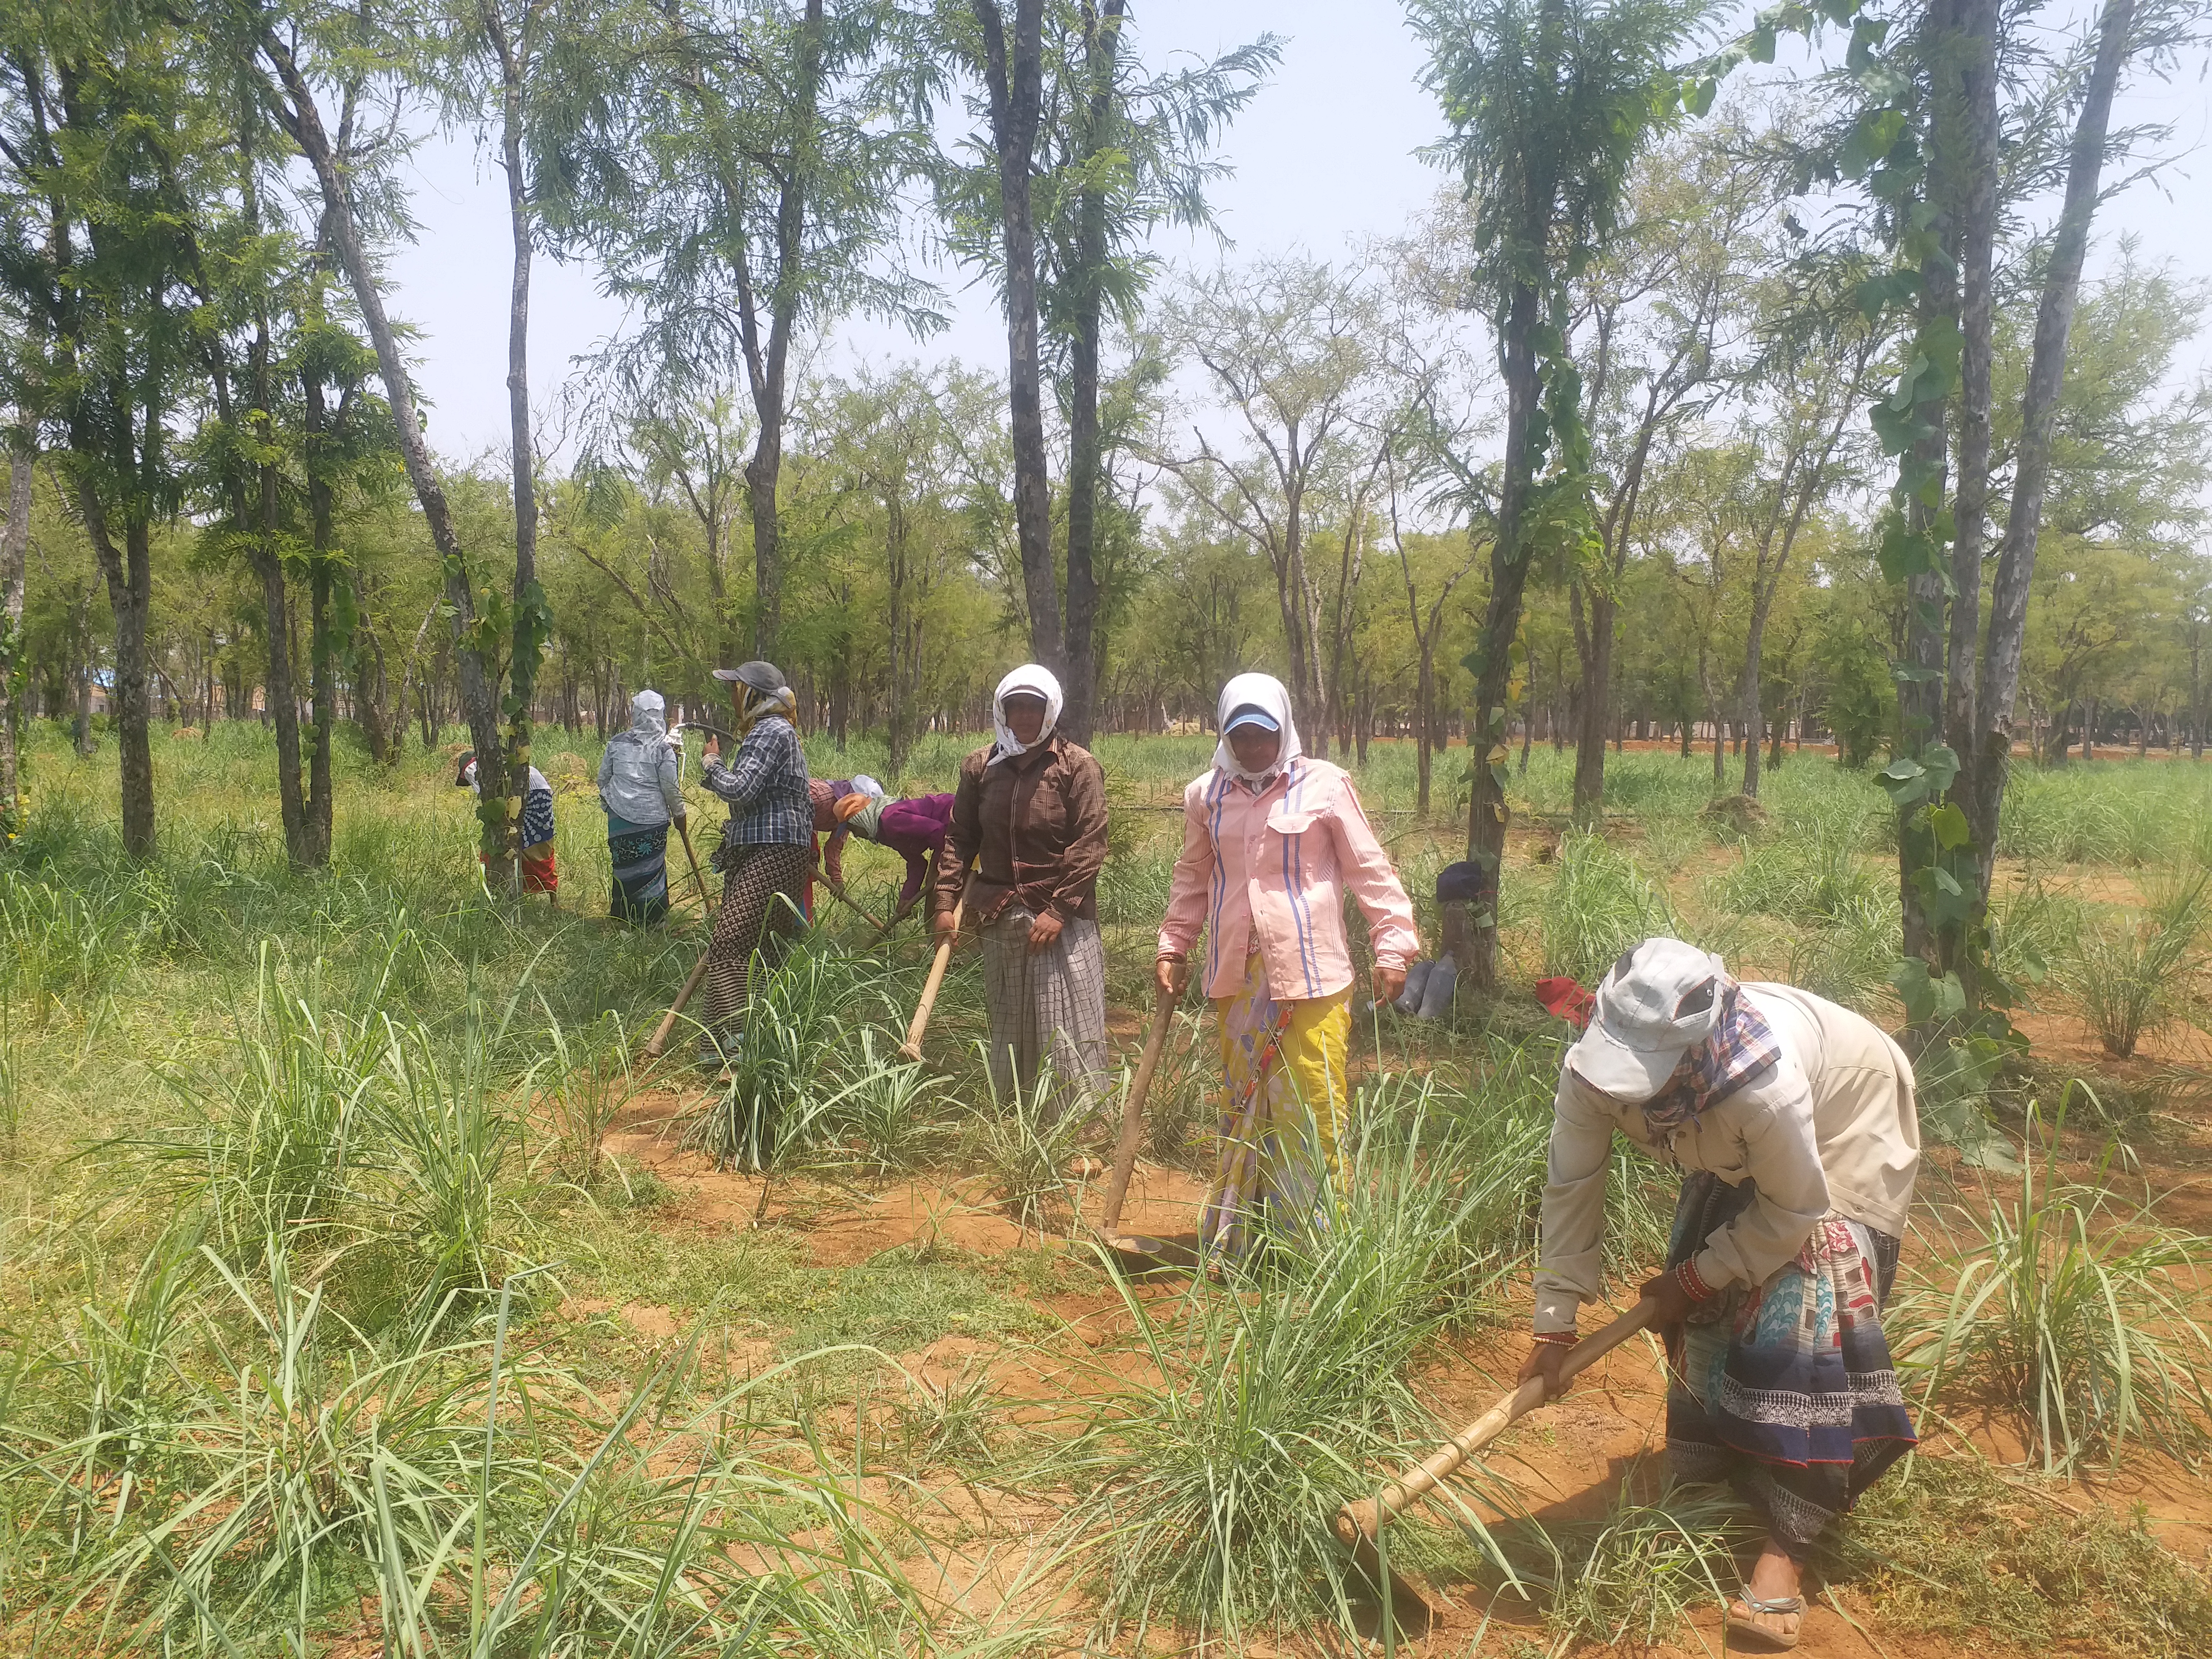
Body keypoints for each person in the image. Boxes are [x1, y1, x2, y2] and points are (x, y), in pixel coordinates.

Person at [1518, 938, 1921, 1651]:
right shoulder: (1595, 1068)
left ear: (1693, 1050)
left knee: (1805, 1293)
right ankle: (1714, 1464)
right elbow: (1571, 1188)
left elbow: (1794, 1208)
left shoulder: (1760, 1082)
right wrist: (1554, 1326)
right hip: (1721, 1129)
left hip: (1847, 1116)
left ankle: (1788, 1541)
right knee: (1704, 1270)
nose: (1617, 1092)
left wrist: (1694, 1279)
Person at [1155, 673, 1419, 1261]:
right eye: (1240, 735)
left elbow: (1369, 871)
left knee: (1313, 1105)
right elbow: (1193, 877)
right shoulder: (1206, 796)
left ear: (1285, 730)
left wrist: (1393, 944)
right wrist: (1174, 943)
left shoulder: (1325, 786)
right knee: (1243, 1104)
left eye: (1264, 735)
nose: (1253, 748)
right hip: (1237, 977)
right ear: (1225, 734)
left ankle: (1316, 1250)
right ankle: (1241, 1239)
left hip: (1312, 976)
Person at [930, 664, 1109, 1125]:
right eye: (1016, 707)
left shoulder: (1077, 766)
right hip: (1001, 913)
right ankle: (1015, 1118)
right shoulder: (981, 766)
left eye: (1035, 706)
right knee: (1011, 1019)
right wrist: (946, 903)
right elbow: (959, 838)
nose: (1025, 716)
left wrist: (1058, 909)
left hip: (1061, 922)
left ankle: (1075, 1125)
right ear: (1002, 711)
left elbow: (1090, 843)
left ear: (1050, 711)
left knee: (1066, 1023)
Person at [696, 661, 812, 1065]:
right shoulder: (776, 731)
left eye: (737, 689)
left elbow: (741, 789)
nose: (733, 696)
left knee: (730, 942)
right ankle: (756, 1042)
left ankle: (734, 1047)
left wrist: (711, 764)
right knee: (761, 948)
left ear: (753, 696)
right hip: (777, 850)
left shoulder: (770, 731)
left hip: (773, 850)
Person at [596, 690, 686, 923]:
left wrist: (616, 801)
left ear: (635, 714)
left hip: (619, 820)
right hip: (652, 821)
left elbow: (603, 779)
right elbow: (670, 788)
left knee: (623, 867)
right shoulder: (663, 750)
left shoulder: (616, 744)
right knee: (652, 869)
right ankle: (652, 920)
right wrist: (680, 814)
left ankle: (623, 917)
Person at [834, 782, 955, 926]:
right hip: (946, 834)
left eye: (853, 829)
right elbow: (917, 863)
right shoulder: (885, 833)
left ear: (861, 820)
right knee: (934, 888)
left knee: (939, 890)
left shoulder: (891, 820)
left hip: (955, 819)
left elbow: (939, 832)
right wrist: (907, 897)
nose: (857, 836)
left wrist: (946, 867)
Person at [456, 750, 559, 903]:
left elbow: (490, 799)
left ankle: (502, 894)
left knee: (506, 842)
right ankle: (552, 898)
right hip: (542, 794)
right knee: (539, 845)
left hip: (526, 794)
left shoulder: (471, 768)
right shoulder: (499, 761)